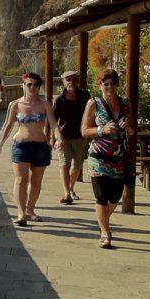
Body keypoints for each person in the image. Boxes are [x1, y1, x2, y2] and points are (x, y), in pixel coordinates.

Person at [0, 72, 60, 226]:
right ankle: (21, 213)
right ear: (23, 85)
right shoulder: (15, 105)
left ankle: (30, 209)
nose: (33, 87)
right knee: (21, 179)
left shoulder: (45, 105)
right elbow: (7, 126)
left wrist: (59, 138)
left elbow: (53, 124)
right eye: (29, 84)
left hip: (40, 146)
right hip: (21, 145)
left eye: (36, 85)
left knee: (36, 182)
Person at [81, 68, 134, 249]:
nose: (109, 87)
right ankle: (105, 232)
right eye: (106, 83)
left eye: (113, 83)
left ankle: (102, 221)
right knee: (101, 197)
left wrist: (128, 127)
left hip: (118, 158)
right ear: (100, 85)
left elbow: (134, 130)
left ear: (118, 85)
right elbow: (84, 131)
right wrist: (102, 130)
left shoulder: (125, 104)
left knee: (114, 198)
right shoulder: (93, 103)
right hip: (98, 157)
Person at [53, 70, 91, 204]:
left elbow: (91, 113)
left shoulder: (85, 96)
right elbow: (53, 120)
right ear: (63, 82)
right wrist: (56, 138)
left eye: (74, 79)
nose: (71, 82)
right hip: (64, 137)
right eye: (68, 79)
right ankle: (66, 193)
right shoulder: (59, 100)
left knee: (77, 166)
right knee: (64, 164)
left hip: (80, 136)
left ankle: (71, 187)